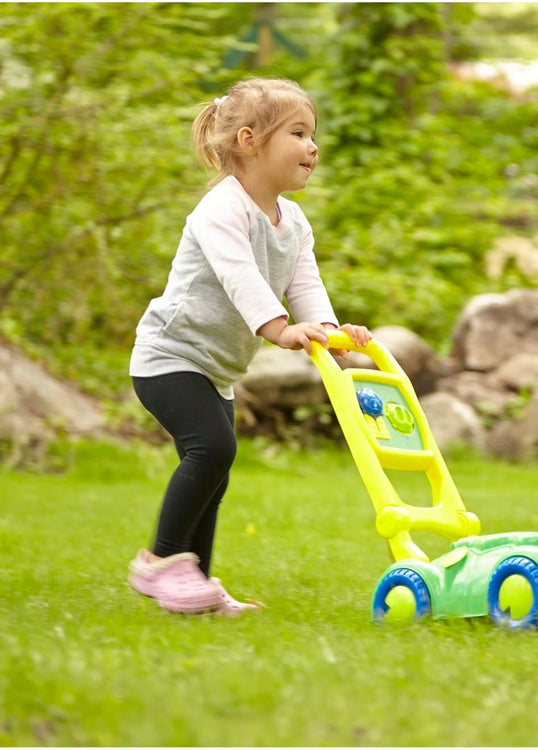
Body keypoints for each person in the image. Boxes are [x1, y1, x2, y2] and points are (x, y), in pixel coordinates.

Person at [128, 77, 371, 616]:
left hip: (216, 369)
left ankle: (196, 589)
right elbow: (241, 278)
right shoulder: (221, 209)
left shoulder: (294, 221)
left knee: (214, 474)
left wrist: (328, 333)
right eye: (299, 133)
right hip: (170, 357)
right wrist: (280, 329)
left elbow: (304, 282)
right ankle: (160, 563)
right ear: (248, 140)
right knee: (213, 450)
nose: (313, 147)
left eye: (314, 135)